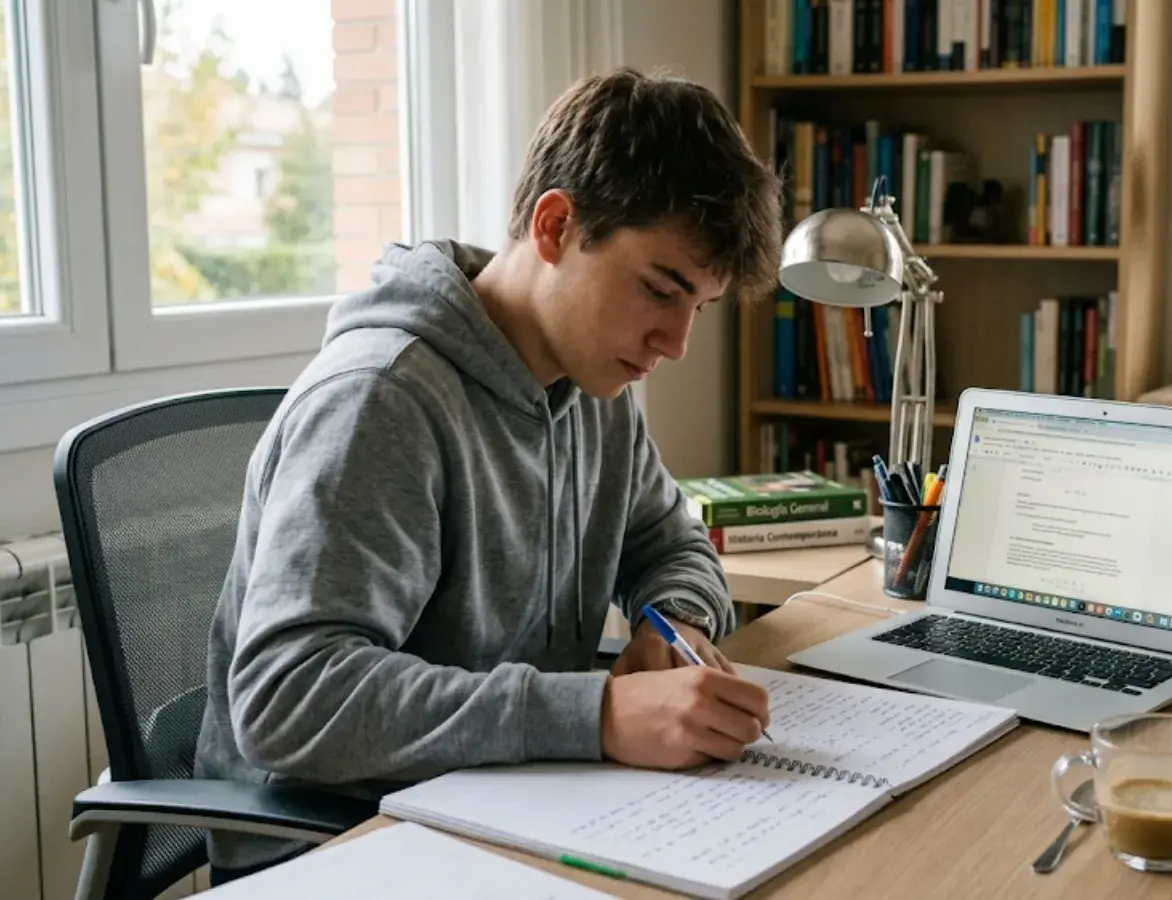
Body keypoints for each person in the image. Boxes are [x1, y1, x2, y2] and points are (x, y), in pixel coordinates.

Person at [194, 66, 783, 882]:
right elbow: (290, 699)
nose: (675, 344)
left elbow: (670, 541)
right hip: (339, 844)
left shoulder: (595, 383)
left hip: (507, 802)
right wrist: (600, 714)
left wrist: (670, 624)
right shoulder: (381, 400)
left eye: (699, 308)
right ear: (555, 225)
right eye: (660, 290)